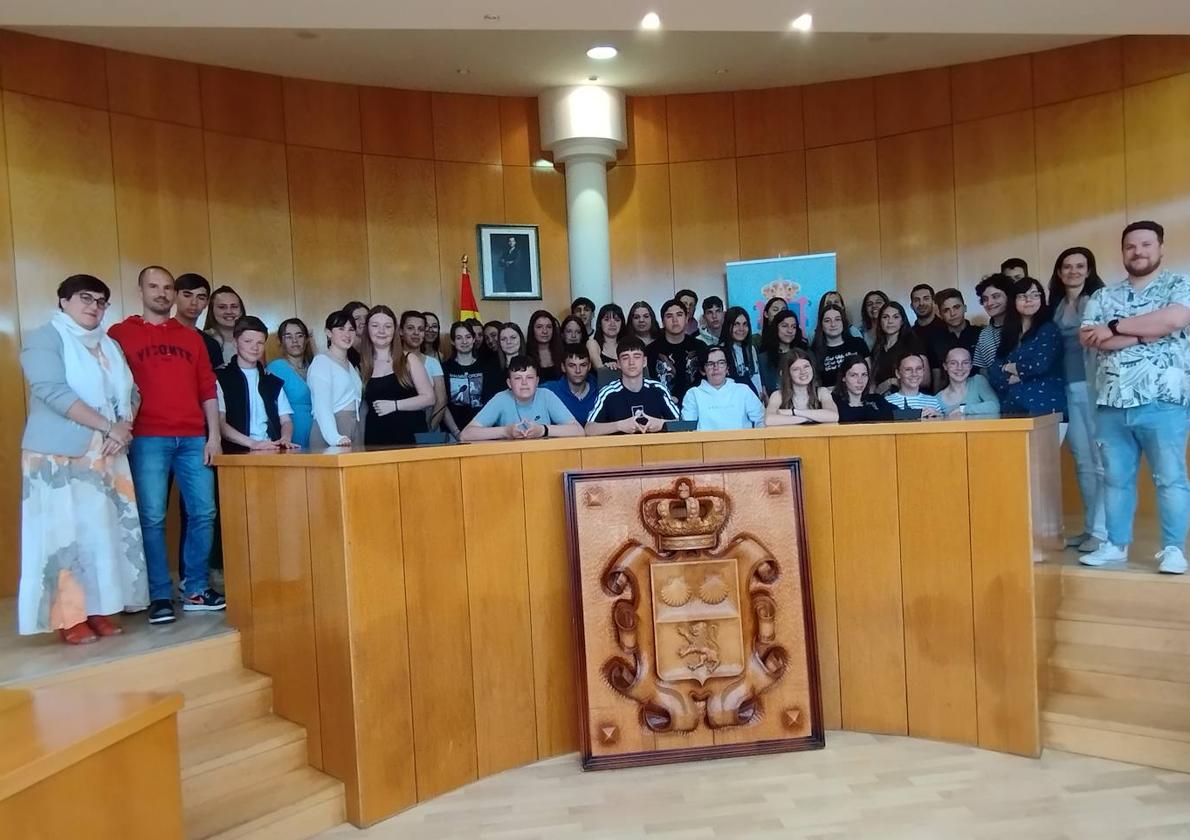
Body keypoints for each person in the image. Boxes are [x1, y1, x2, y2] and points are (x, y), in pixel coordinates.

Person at [19, 275, 148, 643]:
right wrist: (111, 427)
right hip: (59, 456)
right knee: (63, 537)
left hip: (107, 455)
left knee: (100, 537)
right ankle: (68, 617)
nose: (94, 306)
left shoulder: (109, 344)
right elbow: (51, 391)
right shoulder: (45, 337)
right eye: (85, 298)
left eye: (101, 301)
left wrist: (123, 426)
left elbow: (133, 392)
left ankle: (98, 610)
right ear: (63, 302)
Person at [109, 266, 224, 624]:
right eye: (153, 286)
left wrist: (214, 436)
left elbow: (207, 387)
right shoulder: (119, 334)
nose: (161, 293)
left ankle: (195, 588)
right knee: (152, 517)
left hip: (193, 438)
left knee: (203, 513)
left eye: (167, 288)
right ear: (140, 290)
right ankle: (159, 593)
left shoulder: (191, 337)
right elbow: (113, 387)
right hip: (147, 438)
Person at [1079, 221, 1190, 573]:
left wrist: (1113, 327)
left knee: (1170, 478)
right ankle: (1115, 545)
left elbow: (1174, 319)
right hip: (1112, 400)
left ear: (1160, 248)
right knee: (1115, 479)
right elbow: (1089, 338)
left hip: (1164, 400)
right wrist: (1147, 332)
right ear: (1123, 251)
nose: (1138, 251)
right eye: (1131, 246)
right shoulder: (1102, 296)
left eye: (1145, 244)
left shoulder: (1179, 284)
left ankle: (1173, 549)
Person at [1050, 246, 1108, 552]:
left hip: (1095, 387)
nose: (1073, 271)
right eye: (1067, 267)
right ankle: (1089, 529)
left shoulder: (1100, 300)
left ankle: (1102, 531)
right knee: (1083, 462)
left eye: (1080, 266)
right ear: (1059, 273)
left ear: (1089, 269)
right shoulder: (1055, 305)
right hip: (1067, 389)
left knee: (1101, 462)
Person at [215, 316, 298, 454]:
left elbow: (286, 420)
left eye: (260, 342)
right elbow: (220, 423)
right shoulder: (221, 378)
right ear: (235, 342)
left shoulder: (272, 381)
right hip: (235, 453)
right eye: (248, 341)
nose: (255, 347)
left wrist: (285, 438)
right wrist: (253, 444)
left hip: (271, 449)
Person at [986, 278, 1066, 418]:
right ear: (1014, 301)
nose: (1029, 300)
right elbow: (994, 369)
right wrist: (1012, 376)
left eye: (1035, 295)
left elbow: (1039, 365)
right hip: (1012, 406)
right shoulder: (1010, 332)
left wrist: (1009, 368)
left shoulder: (1048, 329)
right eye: (1023, 296)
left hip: (1044, 406)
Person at [460, 355, 583, 441]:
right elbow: (466, 434)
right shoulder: (501, 398)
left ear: (537, 381)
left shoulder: (546, 395)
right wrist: (505, 432)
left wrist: (542, 430)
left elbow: (578, 431)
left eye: (529, 378)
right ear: (509, 383)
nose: (524, 383)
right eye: (518, 378)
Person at [367, 308, 436, 445]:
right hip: (375, 438)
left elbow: (429, 398)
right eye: (375, 326)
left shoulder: (409, 359)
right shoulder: (362, 364)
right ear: (367, 329)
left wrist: (395, 405)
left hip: (409, 437)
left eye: (387, 326)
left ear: (396, 330)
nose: (381, 331)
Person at [585, 337, 680, 435]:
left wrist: (662, 424)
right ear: (618, 364)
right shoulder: (608, 393)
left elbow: (683, 425)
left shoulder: (659, 389)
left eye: (637, 356)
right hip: (620, 448)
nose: (631, 362)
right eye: (625, 357)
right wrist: (619, 425)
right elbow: (589, 429)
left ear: (644, 361)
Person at [308, 309, 362, 448]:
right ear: (328, 332)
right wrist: (334, 437)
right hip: (332, 429)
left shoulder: (350, 365)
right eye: (341, 328)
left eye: (351, 329)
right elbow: (322, 406)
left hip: (353, 425)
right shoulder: (322, 362)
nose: (347, 334)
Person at [681, 345, 765, 430]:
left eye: (721, 362)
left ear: (727, 368)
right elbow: (688, 428)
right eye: (710, 364)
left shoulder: (743, 390)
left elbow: (761, 419)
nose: (716, 368)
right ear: (703, 370)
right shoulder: (693, 394)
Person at [443, 321, 502, 434]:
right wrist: (456, 432)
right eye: (459, 338)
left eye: (468, 337)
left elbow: (493, 403)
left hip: (484, 431)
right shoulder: (445, 368)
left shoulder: (488, 367)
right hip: (452, 433)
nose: (464, 341)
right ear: (452, 341)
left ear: (474, 339)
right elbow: (443, 404)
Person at [266, 318, 315, 449]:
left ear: (306, 339)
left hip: (318, 430)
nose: (295, 341)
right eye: (288, 336)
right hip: (290, 431)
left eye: (299, 335)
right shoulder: (275, 368)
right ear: (281, 341)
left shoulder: (315, 367)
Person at [647, 298, 705, 404]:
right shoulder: (651, 350)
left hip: (697, 405)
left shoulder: (700, 347)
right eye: (669, 316)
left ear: (687, 318)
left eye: (679, 315)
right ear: (663, 322)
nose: (675, 320)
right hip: (661, 406)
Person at [399, 310, 446, 429]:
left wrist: (429, 429)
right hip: (398, 428)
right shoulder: (391, 362)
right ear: (401, 331)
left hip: (428, 429)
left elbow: (441, 400)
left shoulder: (433, 363)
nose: (416, 333)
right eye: (410, 328)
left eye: (420, 329)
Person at [765, 349, 839, 425]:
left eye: (806, 366)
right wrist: (808, 418)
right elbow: (769, 420)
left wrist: (794, 412)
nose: (803, 372)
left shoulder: (822, 392)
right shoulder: (777, 395)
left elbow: (834, 416)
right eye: (796, 369)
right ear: (787, 374)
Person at [869, 302, 927, 395]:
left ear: (902, 321)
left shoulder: (913, 343)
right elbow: (872, 381)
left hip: (908, 400)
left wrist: (892, 382)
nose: (890, 321)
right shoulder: (877, 347)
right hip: (882, 400)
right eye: (885, 317)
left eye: (895, 317)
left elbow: (925, 380)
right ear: (880, 321)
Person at [811, 303, 869, 387]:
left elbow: (869, 373)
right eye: (827, 320)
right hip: (829, 398)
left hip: (859, 395)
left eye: (837, 319)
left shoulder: (858, 343)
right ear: (821, 325)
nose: (833, 324)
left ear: (843, 322)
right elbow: (815, 384)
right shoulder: (814, 351)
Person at [173, 273, 223, 370]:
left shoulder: (211, 344)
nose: (194, 303)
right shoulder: (158, 333)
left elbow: (216, 382)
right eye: (187, 295)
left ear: (207, 303)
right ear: (174, 296)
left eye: (201, 298)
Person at [543, 344, 600, 424]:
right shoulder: (549, 390)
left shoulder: (601, 390)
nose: (578, 371)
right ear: (563, 367)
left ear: (589, 366)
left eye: (583, 365)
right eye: (572, 365)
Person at [937, 346, 1000, 417]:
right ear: (945, 366)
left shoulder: (978, 381)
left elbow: (995, 406)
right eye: (953, 363)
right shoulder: (938, 399)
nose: (960, 368)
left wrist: (963, 410)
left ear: (971, 366)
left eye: (965, 363)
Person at [832, 355, 894, 424]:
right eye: (854, 375)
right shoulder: (834, 401)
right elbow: (845, 416)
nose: (860, 381)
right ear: (843, 378)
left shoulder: (877, 399)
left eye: (864, 375)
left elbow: (890, 416)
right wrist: (872, 411)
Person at [759, 309, 809, 395]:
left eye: (793, 327)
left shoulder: (804, 354)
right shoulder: (763, 358)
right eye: (785, 326)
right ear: (776, 328)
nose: (790, 331)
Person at [972, 274, 1014, 372]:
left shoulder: (1023, 325)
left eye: (996, 296)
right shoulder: (984, 334)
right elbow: (982, 369)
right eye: (985, 299)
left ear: (1009, 297)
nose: (989, 303)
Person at [719, 306, 764, 397]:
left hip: (757, 403)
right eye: (736, 324)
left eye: (745, 324)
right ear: (728, 326)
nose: (741, 329)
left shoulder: (751, 348)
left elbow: (756, 376)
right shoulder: (720, 351)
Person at [883, 354, 946, 418]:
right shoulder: (887, 402)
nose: (914, 374)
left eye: (919, 369)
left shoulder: (933, 401)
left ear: (923, 371)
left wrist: (939, 418)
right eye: (908, 369)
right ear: (898, 373)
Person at [930, 288, 982, 364]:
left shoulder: (981, 334)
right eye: (946, 310)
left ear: (965, 308)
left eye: (956, 307)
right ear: (941, 315)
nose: (952, 314)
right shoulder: (936, 340)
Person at [202, 285, 245, 368]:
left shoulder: (252, 339)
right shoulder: (201, 340)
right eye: (222, 307)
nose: (229, 311)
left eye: (234, 306)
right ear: (212, 311)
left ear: (241, 310)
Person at [524, 310, 562, 383]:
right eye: (539, 327)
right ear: (532, 330)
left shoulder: (562, 352)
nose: (545, 331)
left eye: (549, 327)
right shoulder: (525, 353)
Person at [587, 303, 625, 372]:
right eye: (607, 320)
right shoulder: (592, 343)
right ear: (600, 324)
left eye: (617, 320)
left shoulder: (627, 345)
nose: (612, 324)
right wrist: (606, 367)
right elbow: (599, 368)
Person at [910, 283, 946, 350]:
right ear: (911, 306)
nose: (921, 303)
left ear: (933, 302)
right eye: (916, 300)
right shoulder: (909, 334)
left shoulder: (947, 329)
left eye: (926, 299)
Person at [343, 300, 370, 369]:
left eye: (366, 317)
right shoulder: (343, 351)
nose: (363, 321)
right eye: (357, 318)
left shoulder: (376, 346)